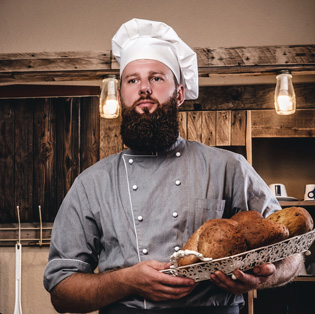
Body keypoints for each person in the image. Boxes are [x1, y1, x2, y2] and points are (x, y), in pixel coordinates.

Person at [43, 18, 303, 314]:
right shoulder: (91, 184)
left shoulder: (228, 167)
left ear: (179, 94)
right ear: (121, 94)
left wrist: (266, 278)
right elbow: (61, 292)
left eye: (156, 78)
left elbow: (292, 252)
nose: (144, 88)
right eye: (132, 80)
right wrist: (126, 281)